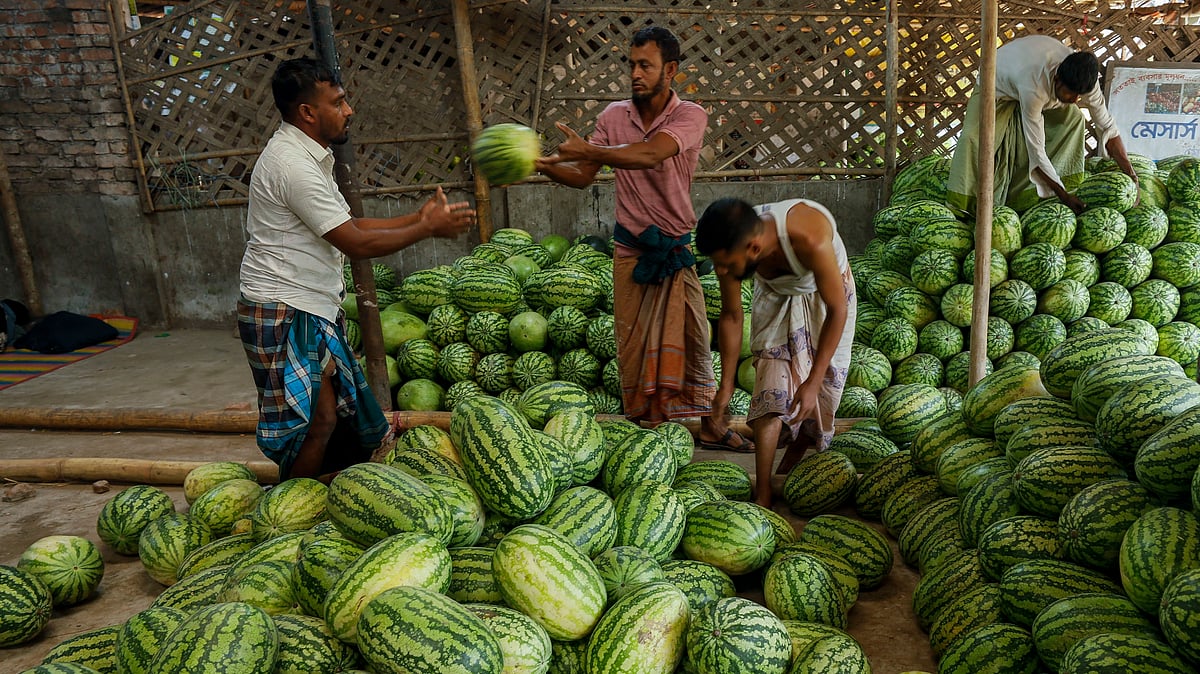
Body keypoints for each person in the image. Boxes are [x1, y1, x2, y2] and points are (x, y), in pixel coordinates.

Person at [238, 58, 475, 481]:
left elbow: (351, 224)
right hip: (282, 306)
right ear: (308, 112)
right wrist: (426, 229)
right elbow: (355, 241)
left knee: (326, 419)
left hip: (305, 304)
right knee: (315, 423)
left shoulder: (308, 157)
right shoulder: (291, 164)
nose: (349, 111)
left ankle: (313, 494)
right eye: (339, 101)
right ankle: (293, 505)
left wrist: (416, 218)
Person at [536, 26, 751, 451]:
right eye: (631, 64)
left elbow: (651, 153)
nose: (636, 73)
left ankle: (710, 424)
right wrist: (542, 165)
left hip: (674, 250)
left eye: (645, 65)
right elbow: (582, 177)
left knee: (691, 345)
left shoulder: (690, 115)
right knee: (634, 350)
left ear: (669, 70)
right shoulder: (613, 117)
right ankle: (649, 437)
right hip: (630, 253)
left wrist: (590, 152)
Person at [695, 197, 856, 508]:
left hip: (828, 297)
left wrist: (811, 381)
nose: (719, 271)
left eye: (724, 264)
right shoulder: (732, 247)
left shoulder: (810, 236)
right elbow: (730, 315)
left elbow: (837, 309)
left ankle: (794, 456)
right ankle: (764, 492)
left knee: (820, 395)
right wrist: (725, 385)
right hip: (775, 295)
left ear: (754, 250)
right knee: (771, 389)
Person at [947, 35, 1137, 215]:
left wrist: (1130, 173)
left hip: (1032, 75)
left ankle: (1033, 195)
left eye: (1080, 96)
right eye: (1070, 94)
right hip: (996, 82)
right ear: (1056, 79)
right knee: (973, 138)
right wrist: (1063, 196)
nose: (1075, 99)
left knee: (1074, 120)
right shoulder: (1034, 87)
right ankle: (964, 208)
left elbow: (1107, 127)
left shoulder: (1084, 80)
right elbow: (1036, 150)